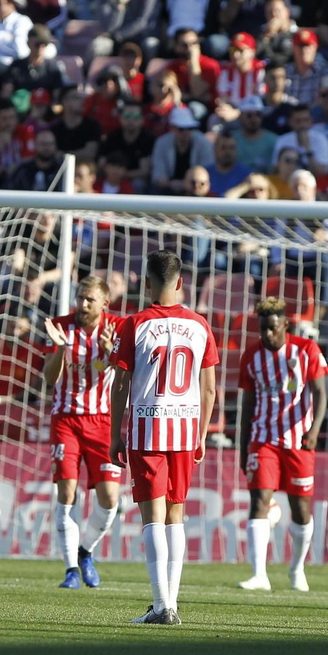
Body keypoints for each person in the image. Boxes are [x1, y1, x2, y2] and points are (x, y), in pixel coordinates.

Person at [109, 250, 219, 625]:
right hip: (186, 429)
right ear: (181, 282)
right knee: (176, 516)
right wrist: (202, 434)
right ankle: (170, 604)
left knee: (152, 516)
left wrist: (115, 434)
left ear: (146, 282)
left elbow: (120, 382)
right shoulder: (200, 325)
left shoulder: (134, 323)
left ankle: (161, 605)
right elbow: (209, 390)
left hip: (147, 426)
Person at [236, 296, 328, 593]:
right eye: (262, 329)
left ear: (286, 326)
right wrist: (243, 447)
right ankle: (259, 575)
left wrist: (315, 430)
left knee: (300, 509)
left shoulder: (306, 350)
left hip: (299, 440)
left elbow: (320, 394)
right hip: (263, 439)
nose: (267, 335)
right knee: (259, 502)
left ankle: (297, 568)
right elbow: (247, 407)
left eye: (273, 329)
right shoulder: (251, 356)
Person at [40, 276, 126, 590]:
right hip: (66, 419)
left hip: (104, 421)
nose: (83, 304)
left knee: (109, 498)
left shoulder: (116, 327)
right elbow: (50, 379)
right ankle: (71, 570)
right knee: (66, 494)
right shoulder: (60, 326)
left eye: (90, 300)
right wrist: (61, 349)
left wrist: (109, 355)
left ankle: (85, 550)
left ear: (105, 303)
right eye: (81, 298)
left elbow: (120, 373)